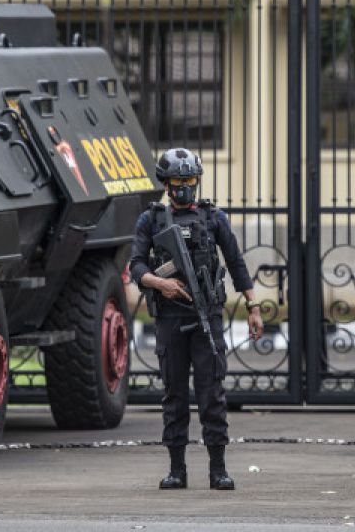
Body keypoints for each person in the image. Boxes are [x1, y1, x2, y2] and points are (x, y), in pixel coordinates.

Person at [129, 147, 263, 490]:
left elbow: (235, 263)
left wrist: (253, 307)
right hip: (170, 319)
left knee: (211, 393)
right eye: (178, 181)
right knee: (174, 394)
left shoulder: (213, 218)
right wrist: (161, 283)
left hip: (207, 316)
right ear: (167, 184)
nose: (184, 187)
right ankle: (177, 469)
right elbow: (136, 265)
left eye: (190, 180)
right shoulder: (152, 220)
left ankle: (218, 468)